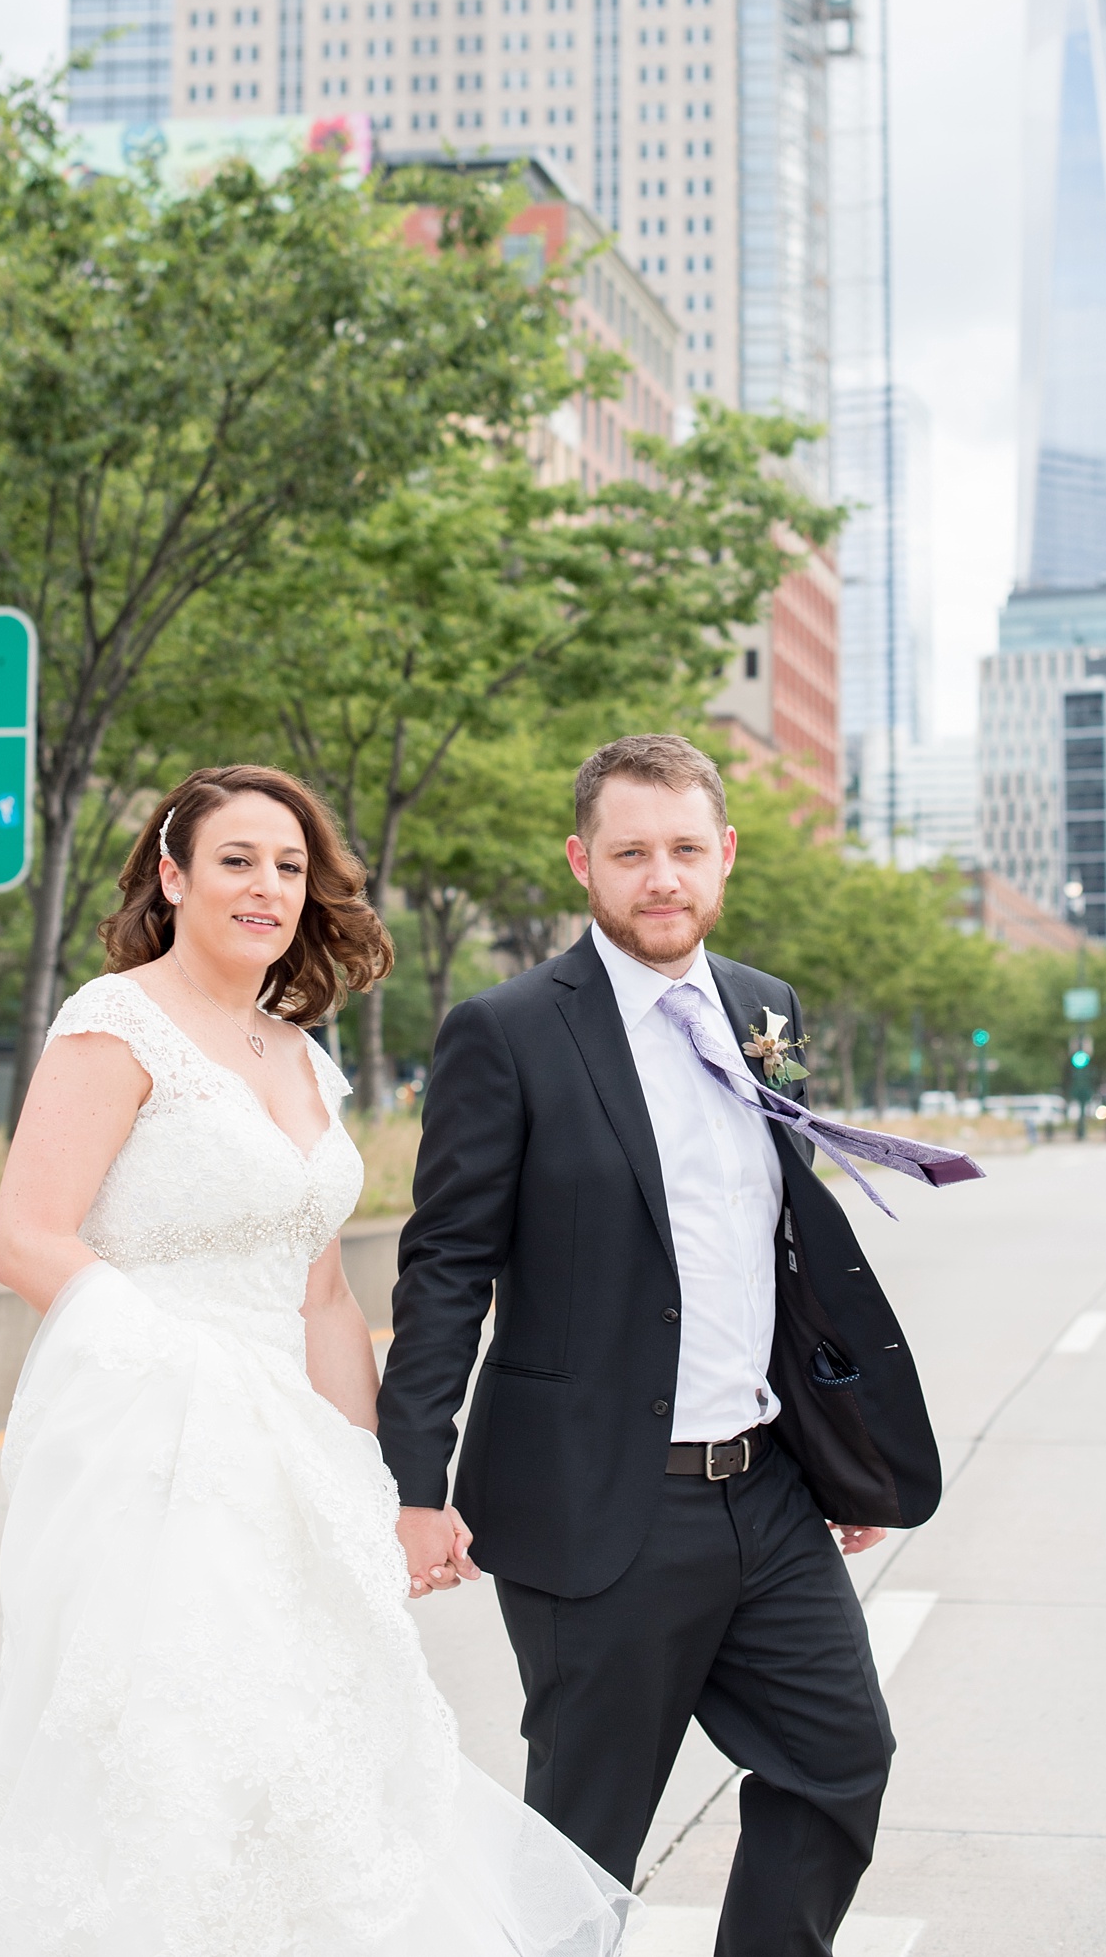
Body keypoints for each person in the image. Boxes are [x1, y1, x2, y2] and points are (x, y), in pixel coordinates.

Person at [0, 763, 631, 1957]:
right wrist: (188, 1378)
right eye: (234, 859)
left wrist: (380, 1479)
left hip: (290, 1442)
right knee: (179, 1740)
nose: (266, 886)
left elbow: (321, 1287)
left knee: (320, 1740)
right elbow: (28, 1237)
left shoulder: (298, 1052)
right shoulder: (114, 1022)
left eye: (287, 865)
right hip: (147, 1436)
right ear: (171, 876)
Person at [377, 735, 943, 1957]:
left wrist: (835, 1448)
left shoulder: (763, 1008)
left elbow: (780, 1247)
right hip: (597, 1505)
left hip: (769, 1490)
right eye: (630, 852)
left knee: (839, 1759)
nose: (660, 877)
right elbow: (445, 1264)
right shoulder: (508, 1030)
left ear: (724, 854)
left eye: (685, 849)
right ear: (583, 862)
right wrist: (413, 1481)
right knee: (580, 1846)